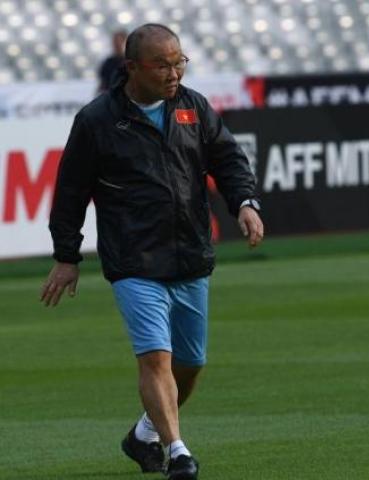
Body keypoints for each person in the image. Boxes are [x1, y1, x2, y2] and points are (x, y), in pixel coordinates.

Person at [41, 23, 264, 480]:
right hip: (133, 260)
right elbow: (70, 191)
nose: (173, 72)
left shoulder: (193, 107)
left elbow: (228, 159)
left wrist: (243, 202)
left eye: (179, 61)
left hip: (189, 253)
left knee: (191, 365)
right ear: (131, 68)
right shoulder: (97, 120)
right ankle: (179, 453)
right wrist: (67, 255)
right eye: (161, 64)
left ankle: (143, 434)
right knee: (155, 358)